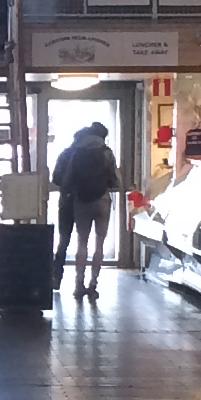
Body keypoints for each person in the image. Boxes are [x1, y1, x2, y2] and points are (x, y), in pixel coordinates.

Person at [49, 119, 120, 300]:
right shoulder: (105, 152)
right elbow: (115, 181)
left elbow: (58, 179)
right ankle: (93, 285)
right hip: (101, 200)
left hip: (76, 201)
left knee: (76, 242)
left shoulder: (71, 153)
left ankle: (69, 282)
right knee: (99, 243)